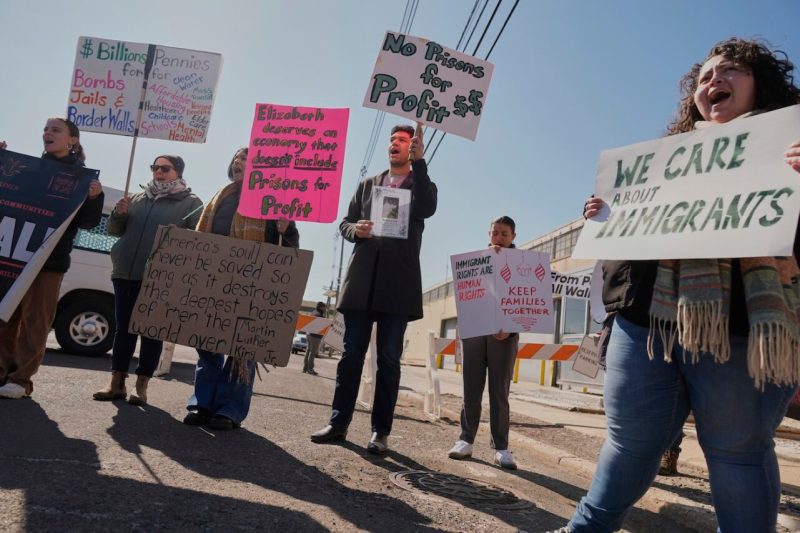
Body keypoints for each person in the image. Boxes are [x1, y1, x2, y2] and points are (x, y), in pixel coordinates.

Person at [563, 38, 800, 533]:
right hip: (644, 327)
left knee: (737, 454)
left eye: (729, 70)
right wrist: (606, 218)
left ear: (762, 86)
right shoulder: (664, 161)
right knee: (629, 443)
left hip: (741, 332)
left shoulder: (790, 154)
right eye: (704, 78)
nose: (713, 82)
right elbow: (625, 254)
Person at [311, 123, 437, 454]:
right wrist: (357, 230)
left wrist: (421, 163)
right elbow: (345, 223)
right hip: (362, 285)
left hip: (398, 287)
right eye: (392, 140)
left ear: (412, 149)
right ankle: (338, 424)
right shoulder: (368, 186)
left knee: (389, 360)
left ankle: (380, 432)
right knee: (351, 355)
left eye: (403, 141)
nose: (395, 144)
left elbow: (427, 209)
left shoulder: (421, 184)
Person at [183, 147, 299, 430]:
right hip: (214, 282)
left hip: (252, 285)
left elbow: (288, 250)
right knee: (207, 344)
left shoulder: (272, 202)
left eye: (246, 160)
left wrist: (287, 229)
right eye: (236, 159)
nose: (238, 164)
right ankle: (201, 404)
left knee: (241, 347)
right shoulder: (220, 197)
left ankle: (229, 410)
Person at [0, 118, 104, 399]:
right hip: (14, 253)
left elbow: (88, 224)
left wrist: (95, 198)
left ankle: (21, 380)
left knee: (36, 321)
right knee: (5, 315)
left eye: (55, 130)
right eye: (45, 128)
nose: (47, 133)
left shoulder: (83, 178)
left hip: (49, 262)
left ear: (73, 140)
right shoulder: (27, 168)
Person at [93, 155, 202, 405]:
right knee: (123, 330)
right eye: (155, 167)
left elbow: (199, 240)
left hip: (160, 277)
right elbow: (114, 231)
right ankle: (116, 383)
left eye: (165, 168)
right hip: (125, 271)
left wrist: (182, 236)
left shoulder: (192, 203)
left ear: (178, 172)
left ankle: (141, 386)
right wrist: (119, 215)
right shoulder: (138, 198)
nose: (158, 172)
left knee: (151, 331)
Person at [448, 216, 520, 470]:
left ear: (513, 237)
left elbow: (525, 302)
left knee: (499, 391)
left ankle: (501, 447)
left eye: (504, 234)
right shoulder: (476, 262)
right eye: (495, 232)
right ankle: (465, 439)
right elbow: (469, 296)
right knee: (471, 387)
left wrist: (510, 329)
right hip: (476, 334)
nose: (499, 238)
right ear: (489, 234)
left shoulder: (523, 264)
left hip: (504, 336)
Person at [303, 302, 328, 375]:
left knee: (308, 351)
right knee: (312, 352)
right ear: (321, 307)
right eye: (324, 307)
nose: (325, 309)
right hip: (315, 336)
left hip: (309, 334)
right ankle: (310, 369)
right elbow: (321, 326)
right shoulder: (319, 315)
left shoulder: (313, 312)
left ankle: (305, 368)